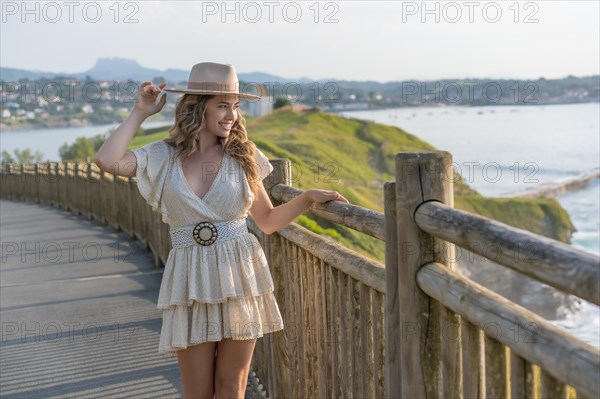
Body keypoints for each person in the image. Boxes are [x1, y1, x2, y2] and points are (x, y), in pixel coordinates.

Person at [94, 62, 349, 399]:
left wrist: (305, 199)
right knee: (197, 392)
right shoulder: (163, 155)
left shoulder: (244, 154)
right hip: (190, 279)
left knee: (231, 388)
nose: (232, 115)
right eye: (223, 105)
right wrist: (140, 112)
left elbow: (267, 221)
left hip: (239, 276)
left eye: (236, 106)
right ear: (198, 107)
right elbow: (107, 161)